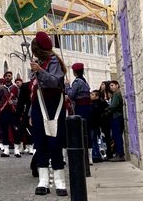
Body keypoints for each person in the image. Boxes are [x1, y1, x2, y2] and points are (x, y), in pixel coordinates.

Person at [29, 31, 68, 197]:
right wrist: (31, 112)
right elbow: (34, 88)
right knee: (40, 142)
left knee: (55, 142)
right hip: (39, 105)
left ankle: (60, 181)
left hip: (54, 105)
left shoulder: (54, 62)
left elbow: (55, 81)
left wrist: (40, 71)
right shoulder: (38, 62)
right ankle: (43, 180)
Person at [66, 63, 92, 163]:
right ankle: (89, 157)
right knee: (87, 130)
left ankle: (85, 156)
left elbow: (71, 95)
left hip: (81, 108)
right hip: (87, 108)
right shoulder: (85, 81)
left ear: (74, 72)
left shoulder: (77, 82)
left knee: (82, 131)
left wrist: (67, 86)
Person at [0, 71, 19, 157]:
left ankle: (17, 149)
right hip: (3, 111)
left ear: (11, 77)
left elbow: (20, 100)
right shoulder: (1, 88)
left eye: (9, 76)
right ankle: (6, 149)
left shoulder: (15, 88)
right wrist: (0, 88)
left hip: (13, 112)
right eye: (6, 76)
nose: (8, 77)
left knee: (15, 130)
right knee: (4, 130)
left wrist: (14, 102)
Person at [108, 80, 125, 161]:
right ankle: (119, 153)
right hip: (117, 116)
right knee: (117, 136)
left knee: (117, 136)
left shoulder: (116, 94)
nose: (111, 87)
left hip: (116, 117)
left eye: (113, 85)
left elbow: (113, 105)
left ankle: (120, 154)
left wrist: (107, 109)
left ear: (117, 85)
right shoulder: (116, 94)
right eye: (110, 86)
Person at [89, 90, 108, 162]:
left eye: (93, 95)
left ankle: (95, 155)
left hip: (93, 125)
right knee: (96, 140)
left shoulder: (94, 104)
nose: (91, 96)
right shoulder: (100, 103)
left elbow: (93, 115)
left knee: (93, 140)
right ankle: (97, 155)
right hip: (97, 125)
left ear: (97, 96)